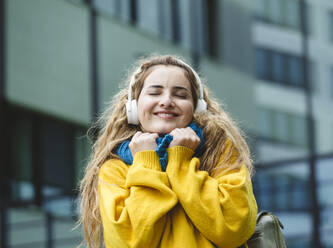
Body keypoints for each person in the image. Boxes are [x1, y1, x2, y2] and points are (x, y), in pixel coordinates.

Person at [78, 55, 257, 248]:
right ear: (134, 106)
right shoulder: (114, 169)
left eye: (180, 95)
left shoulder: (220, 153)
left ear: (197, 107)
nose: (167, 101)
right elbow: (131, 243)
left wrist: (180, 161)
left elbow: (232, 229)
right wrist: (146, 163)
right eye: (155, 93)